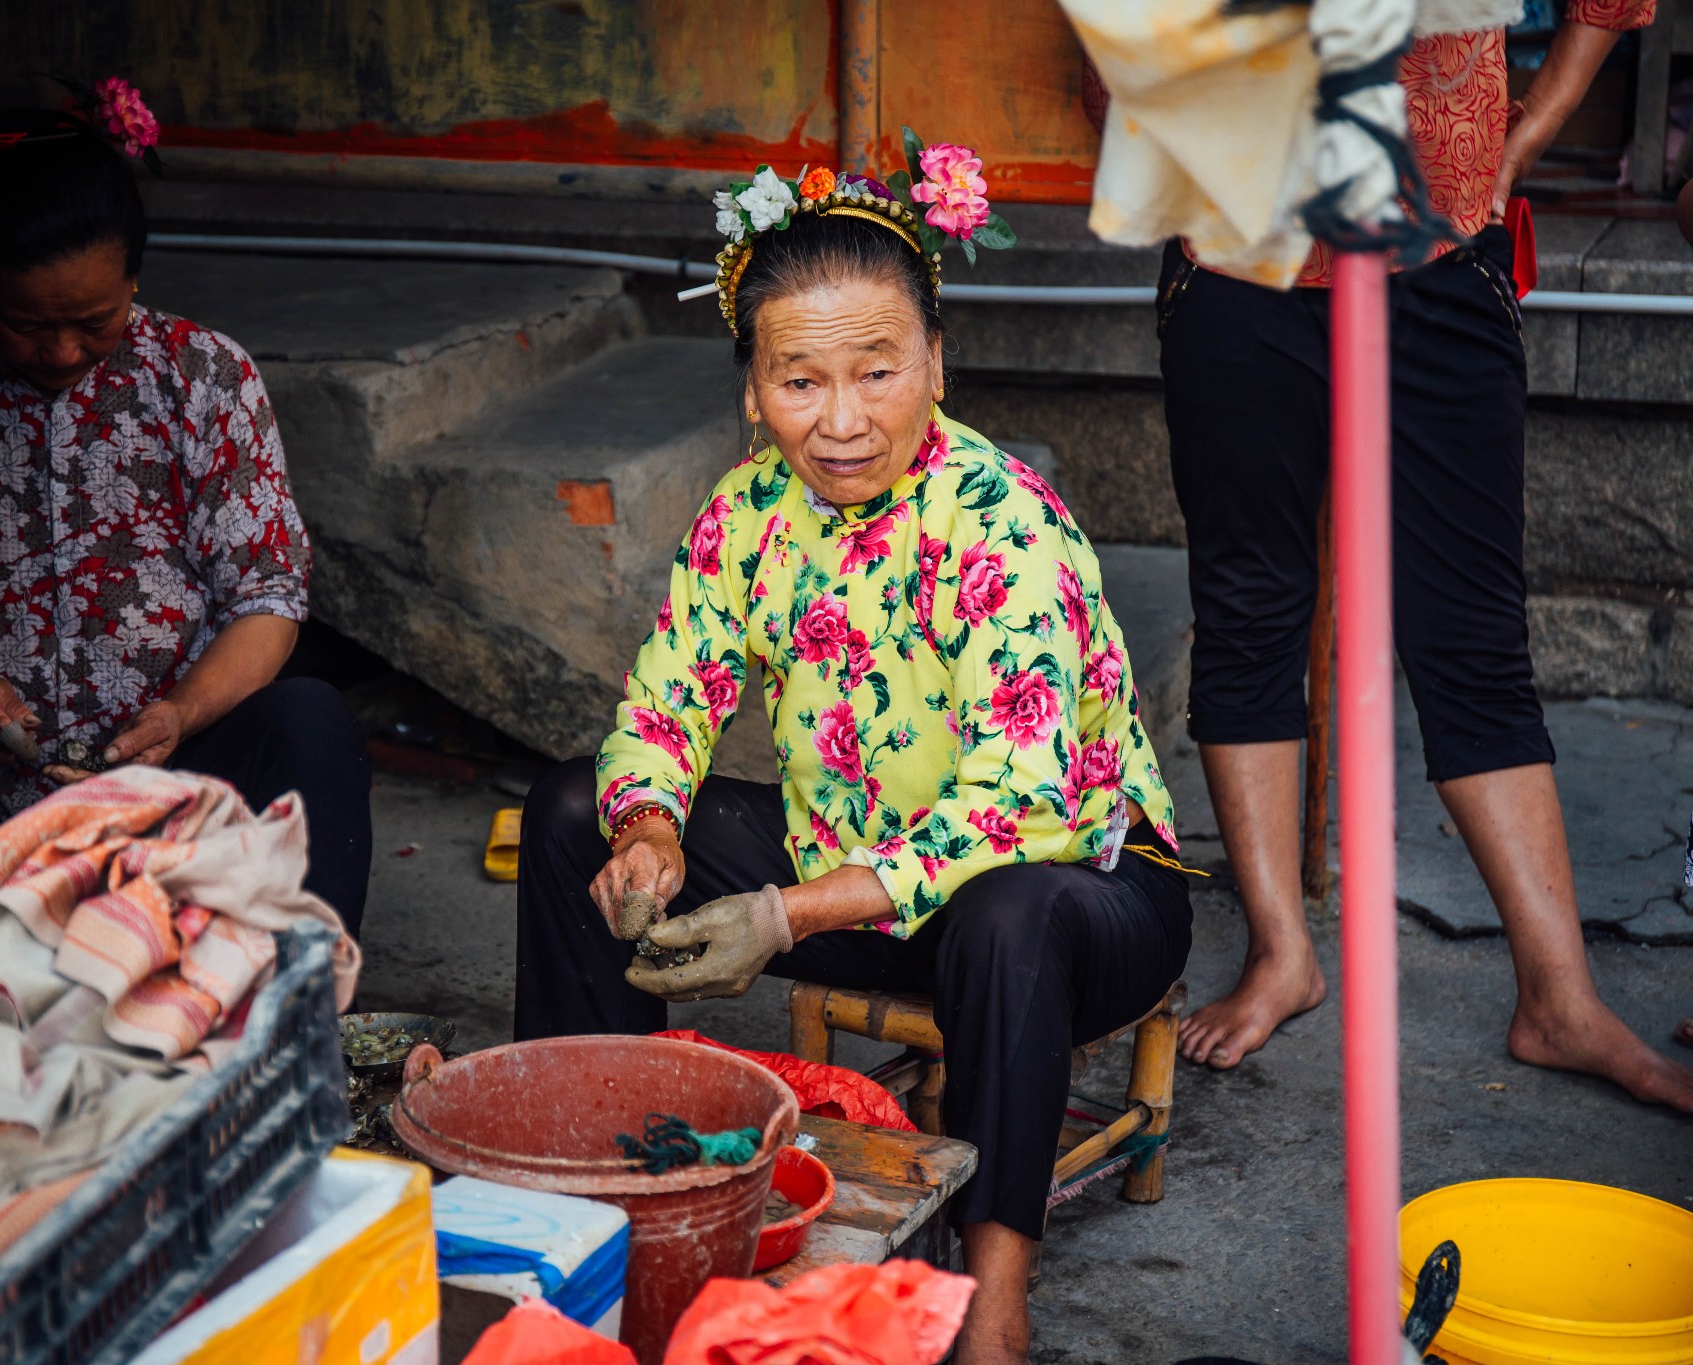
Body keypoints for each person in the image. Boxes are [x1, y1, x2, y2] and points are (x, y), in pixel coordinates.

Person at [514, 160, 1193, 1365]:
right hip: (854, 875)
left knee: (1006, 914)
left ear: (936, 359)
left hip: (1083, 896)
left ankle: (991, 1294)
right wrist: (650, 833)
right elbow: (666, 701)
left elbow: (1021, 810)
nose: (841, 418)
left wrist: (778, 914)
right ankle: (589, 1195)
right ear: (752, 392)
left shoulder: (1004, 521)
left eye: (877, 370)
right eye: (798, 380)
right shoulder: (746, 514)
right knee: (571, 804)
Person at [1152, 0, 1693, 1110]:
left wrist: (1530, 128)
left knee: (1471, 631)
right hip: (1233, 245)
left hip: (1438, 247)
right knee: (1249, 604)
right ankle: (1279, 951)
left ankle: (1558, 998)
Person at [0, 110, 372, 933]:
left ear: (134, 279)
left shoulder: (202, 375)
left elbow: (267, 598)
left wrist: (180, 713)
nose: (62, 351)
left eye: (93, 321)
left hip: (179, 766)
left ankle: (303, 1008)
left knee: (311, 721)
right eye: (27, 324)